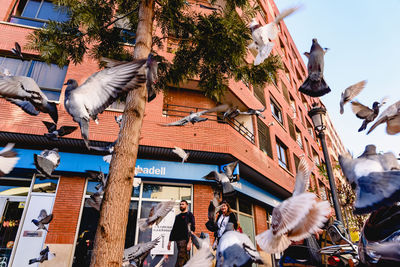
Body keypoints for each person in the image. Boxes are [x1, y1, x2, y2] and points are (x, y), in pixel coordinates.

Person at [167, 200, 195, 267]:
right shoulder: (178, 217)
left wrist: (190, 242)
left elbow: (192, 229)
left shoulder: (190, 215)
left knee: (181, 257)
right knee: (185, 259)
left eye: (182, 204)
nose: (181, 206)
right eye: (180, 204)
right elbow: (174, 229)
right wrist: (169, 241)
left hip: (185, 240)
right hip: (178, 241)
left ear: (187, 205)